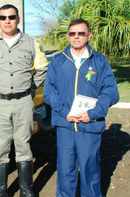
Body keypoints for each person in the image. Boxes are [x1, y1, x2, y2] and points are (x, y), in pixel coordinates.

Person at [0, 4, 48, 197]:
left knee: (23, 146)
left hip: (23, 101)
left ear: (18, 19)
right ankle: (1, 192)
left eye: (11, 17)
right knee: (0, 147)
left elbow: (42, 68)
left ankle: (26, 191)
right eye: (3, 17)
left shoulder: (32, 43)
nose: (7, 21)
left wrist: (32, 88)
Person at [43, 19, 119, 197]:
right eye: (72, 33)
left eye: (81, 33)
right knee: (65, 170)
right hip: (65, 124)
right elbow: (50, 92)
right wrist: (65, 112)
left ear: (89, 35)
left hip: (89, 125)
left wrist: (92, 114)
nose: (76, 37)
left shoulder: (99, 61)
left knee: (89, 169)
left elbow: (110, 93)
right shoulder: (58, 61)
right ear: (68, 36)